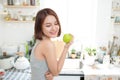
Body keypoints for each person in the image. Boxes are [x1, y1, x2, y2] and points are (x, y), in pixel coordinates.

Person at [30, 8, 73, 80]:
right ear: (40, 27)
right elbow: (56, 72)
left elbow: (49, 69)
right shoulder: (48, 44)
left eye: (56, 24)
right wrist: (66, 48)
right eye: (48, 25)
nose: (54, 28)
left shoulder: (39, 41)